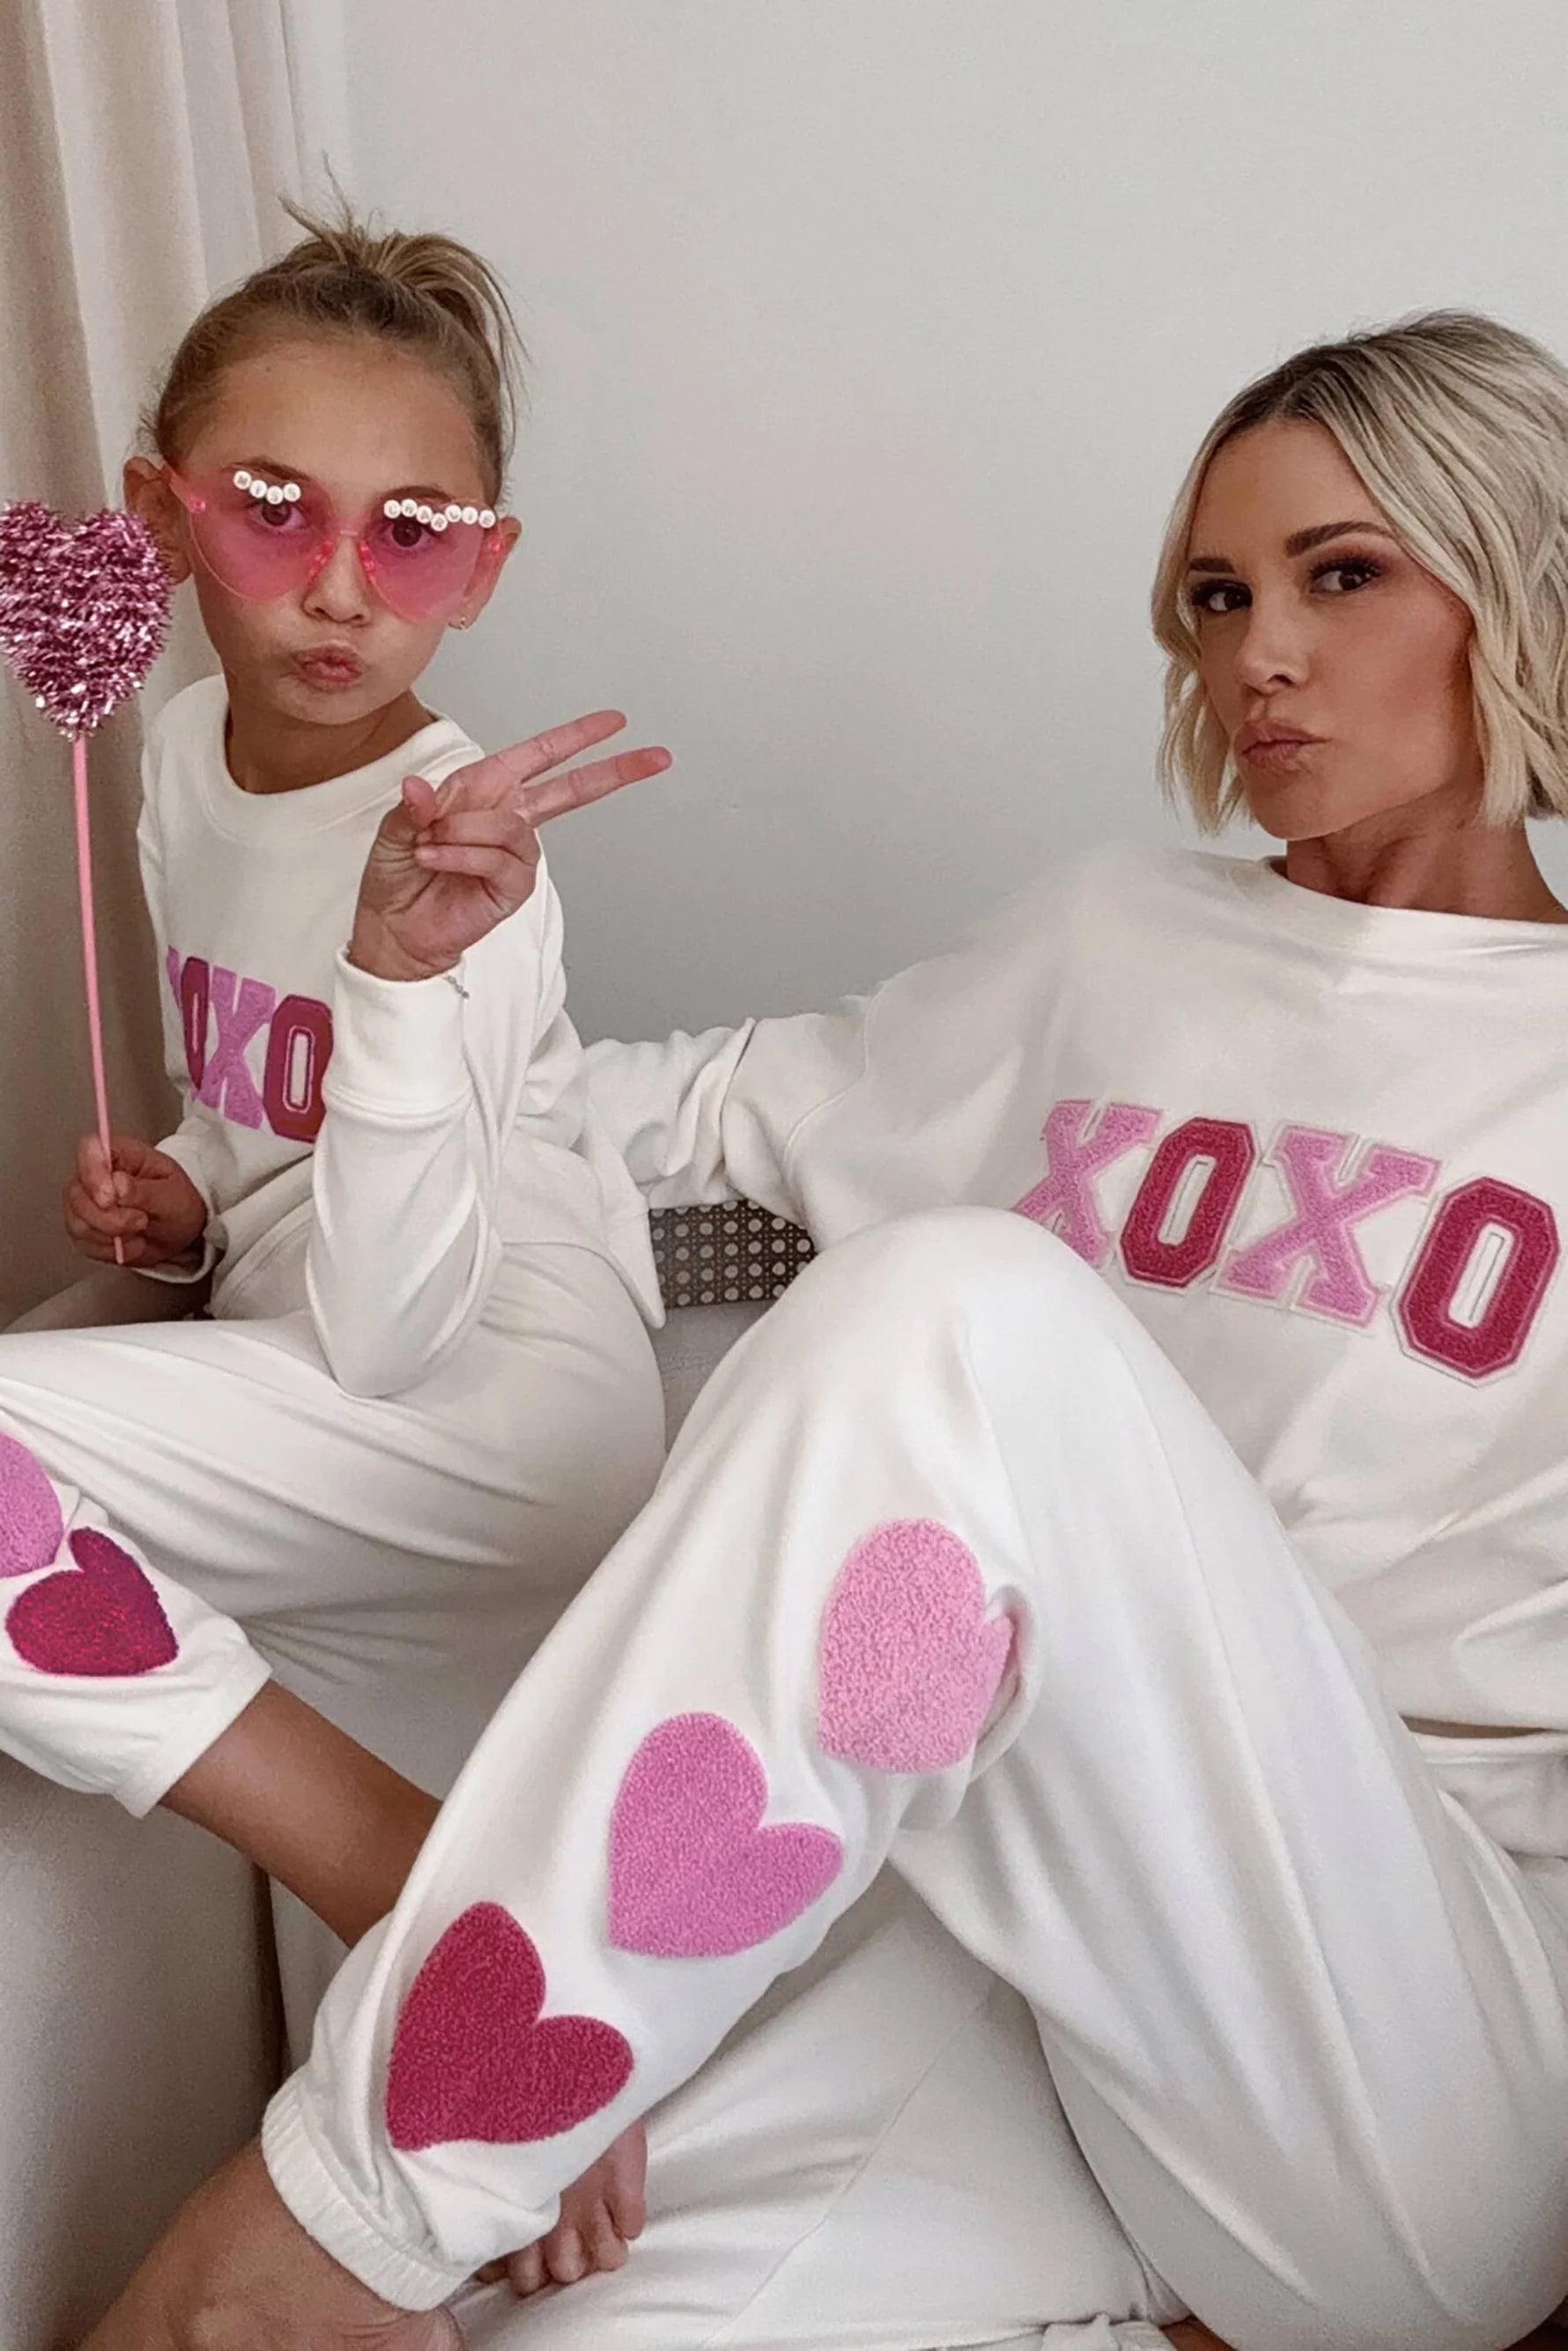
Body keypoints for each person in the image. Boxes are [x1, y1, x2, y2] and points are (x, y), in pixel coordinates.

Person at [72, 308, 1568, 2351]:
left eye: (1338, 575)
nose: (1257, 657)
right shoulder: (1111, 941)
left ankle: (325, 2217)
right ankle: (428, 2204)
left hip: (1409, 2032)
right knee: (544, 2317)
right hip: (1022, 1972)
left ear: (1511, 576)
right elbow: (648, 1118)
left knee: (954, 1308)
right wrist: (310, 1100)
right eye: (1215, 595)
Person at [0, 208, 673, 2288]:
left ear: (487, 563)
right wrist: (195, 1194)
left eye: (418, 535)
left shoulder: (468, 860)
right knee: (420, 2169)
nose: (336, 585)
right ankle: (451, 1923)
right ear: (160, 515)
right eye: (275, 511)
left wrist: (396, 969)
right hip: (314, 1381)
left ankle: (418, 1878)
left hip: (482, 1407)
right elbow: (250, 1109)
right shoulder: (177, 762)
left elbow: (393, 1329)